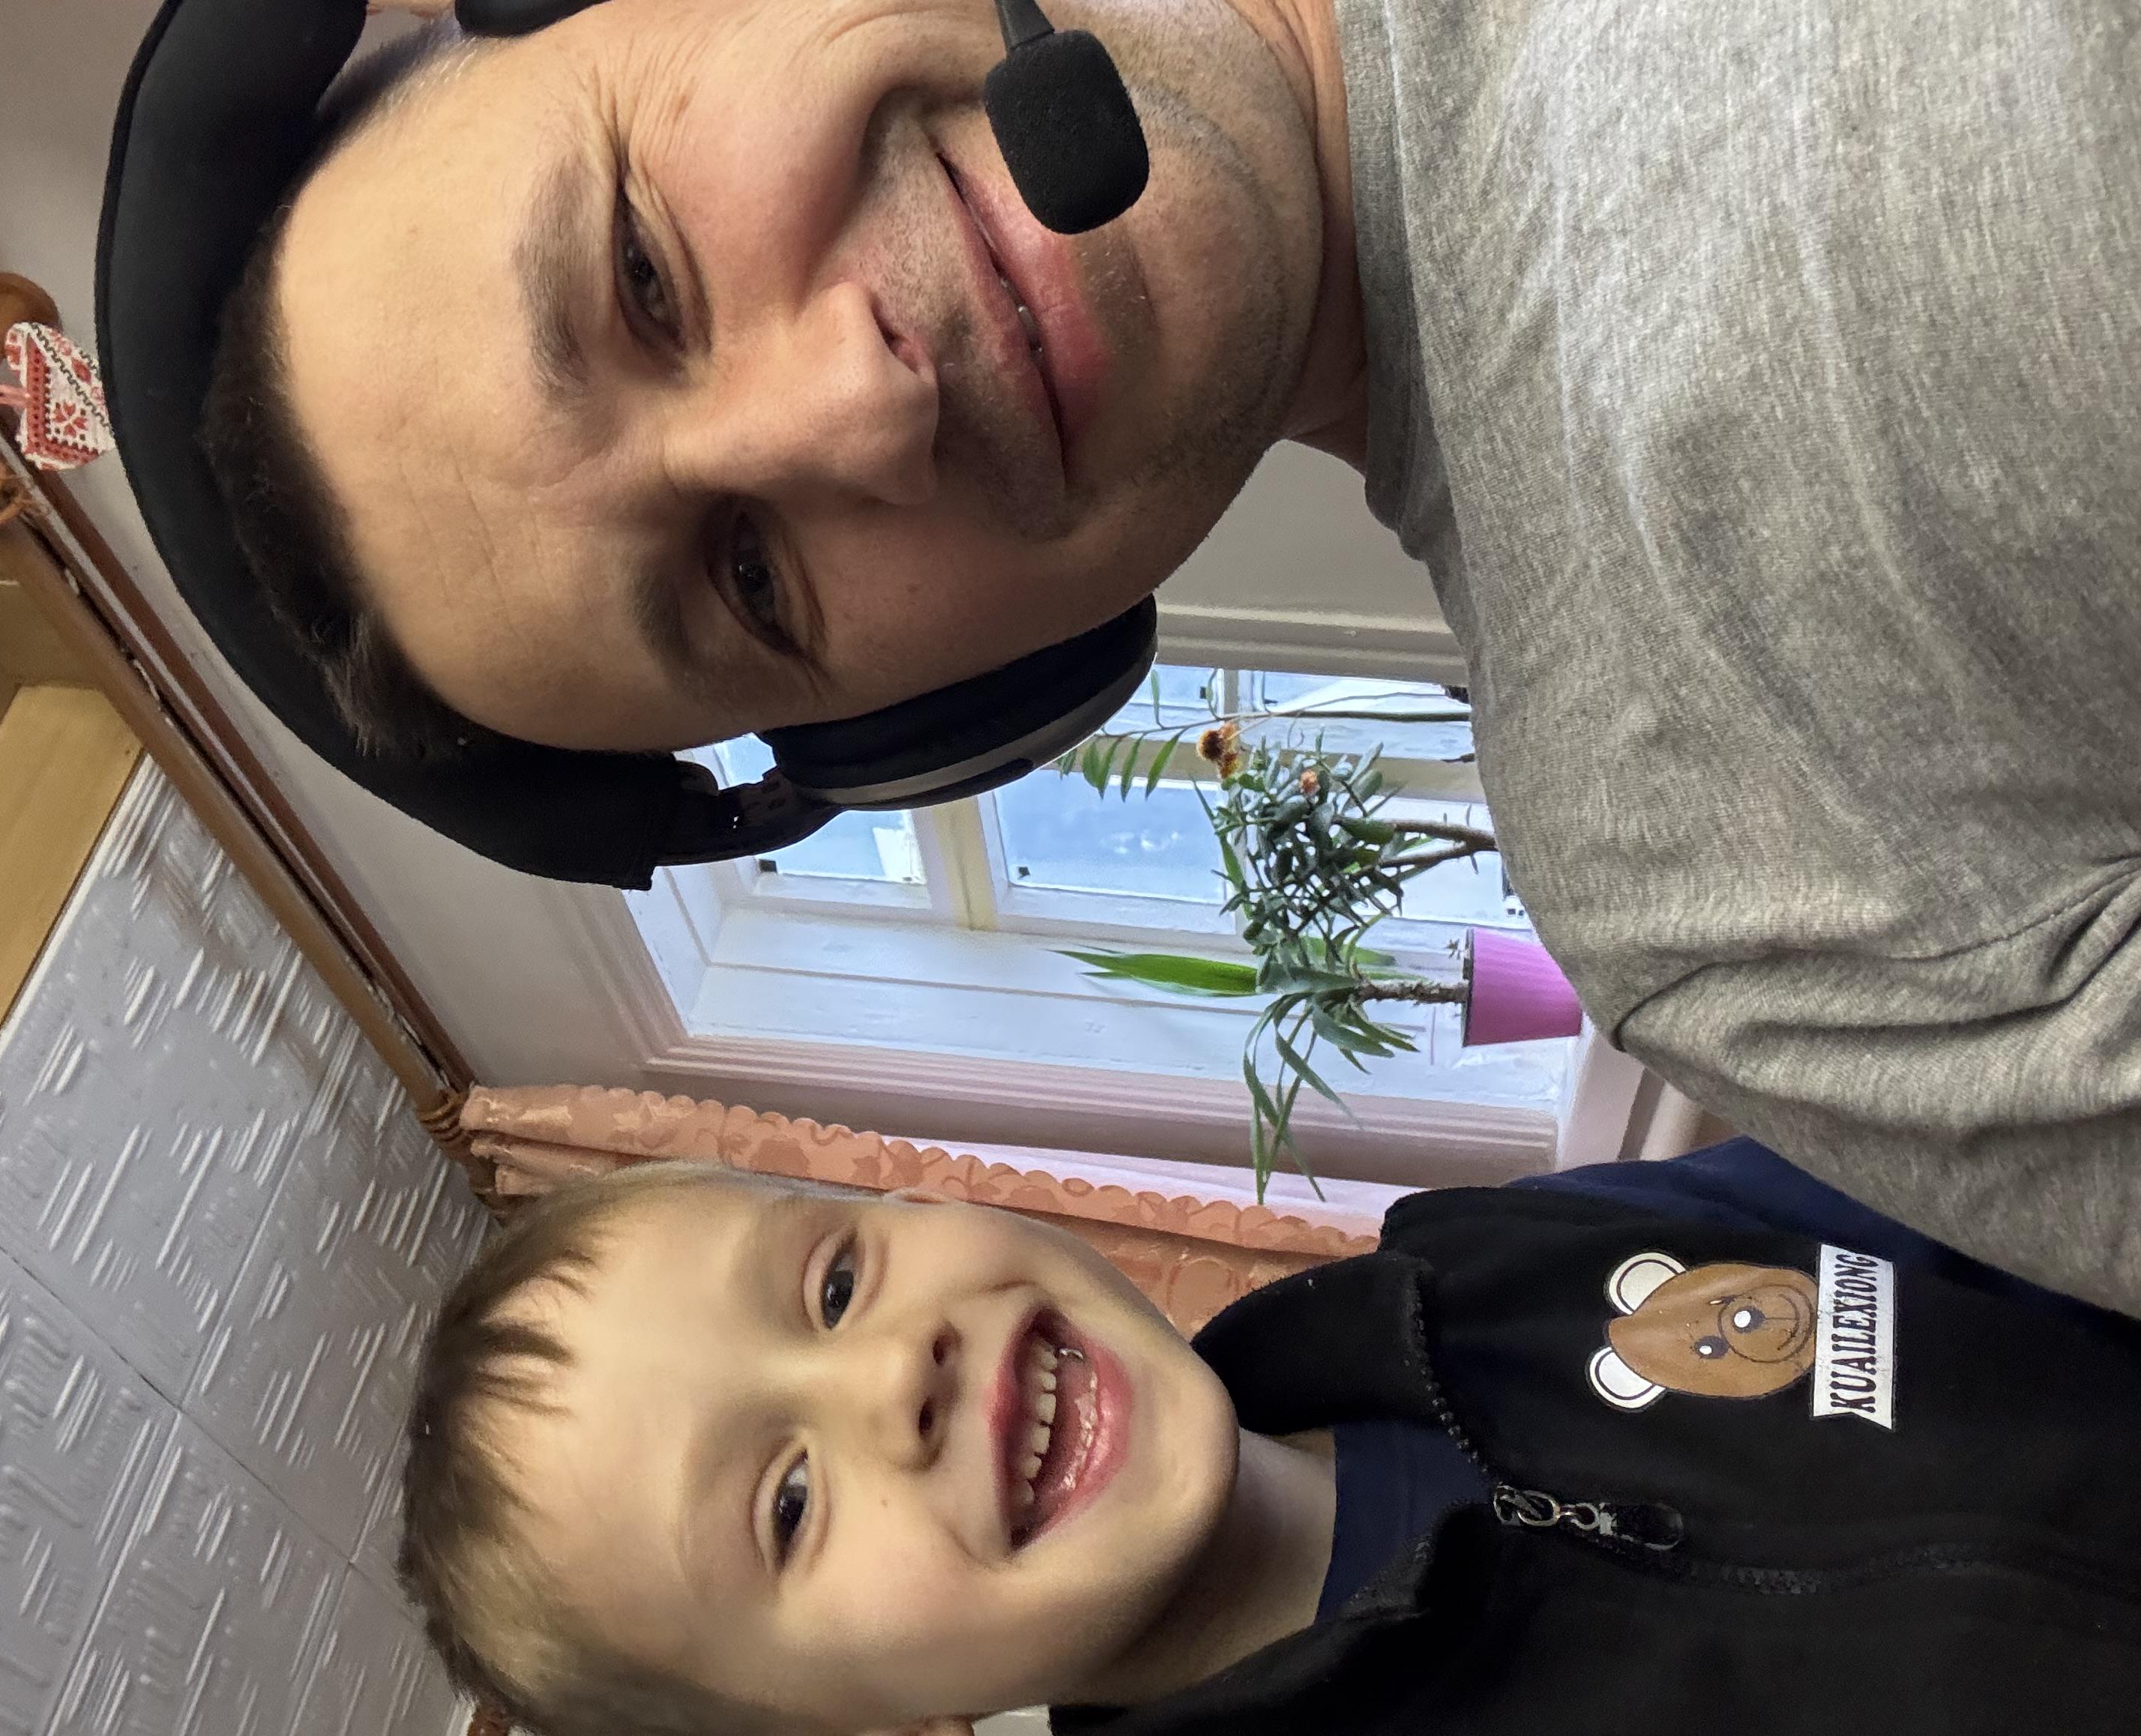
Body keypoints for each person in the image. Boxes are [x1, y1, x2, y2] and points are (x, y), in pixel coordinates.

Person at [205, 0, 2141, 1311]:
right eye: (752, 582)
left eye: (642, 273)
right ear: (965, 711)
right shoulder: (1714, 878)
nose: (857, 409)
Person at [395, 1148, 2141, 1736]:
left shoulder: (1483, 1260)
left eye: (834, 1279)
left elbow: (1986, 1211)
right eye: (784, 1504)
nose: (888, 1380)